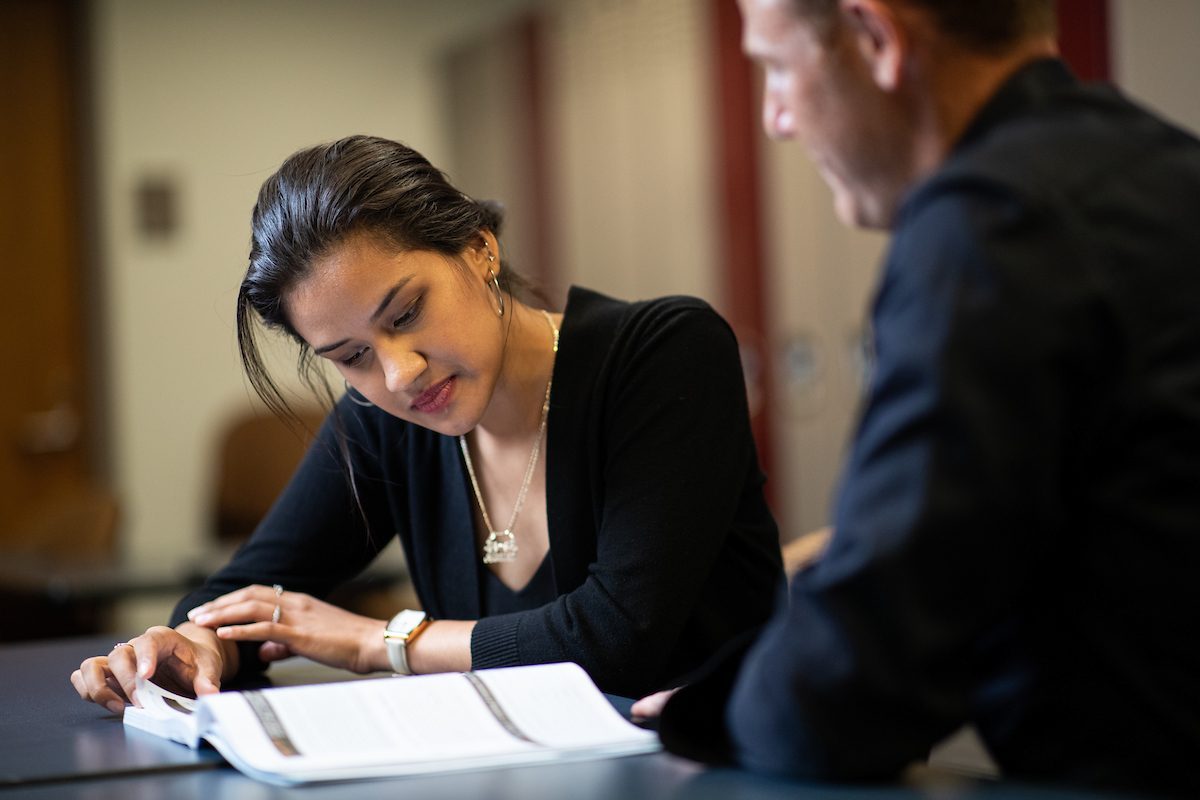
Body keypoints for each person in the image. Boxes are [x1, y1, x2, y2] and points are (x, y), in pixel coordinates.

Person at [638, 0, 1200, 794]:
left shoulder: (990, 225)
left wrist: (709, 712)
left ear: (877, 38)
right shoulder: (1165, 167)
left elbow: (860, 676)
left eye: (777, 68)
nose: (775, 120)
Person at [70, 135, 783, 712]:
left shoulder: (664, 354)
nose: (399, 374)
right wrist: (196, 645)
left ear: (479, 249)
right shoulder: (388, 418)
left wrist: (378, 642)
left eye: (406, 313)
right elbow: (249, 590)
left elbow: (616, 641)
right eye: (351, 356)